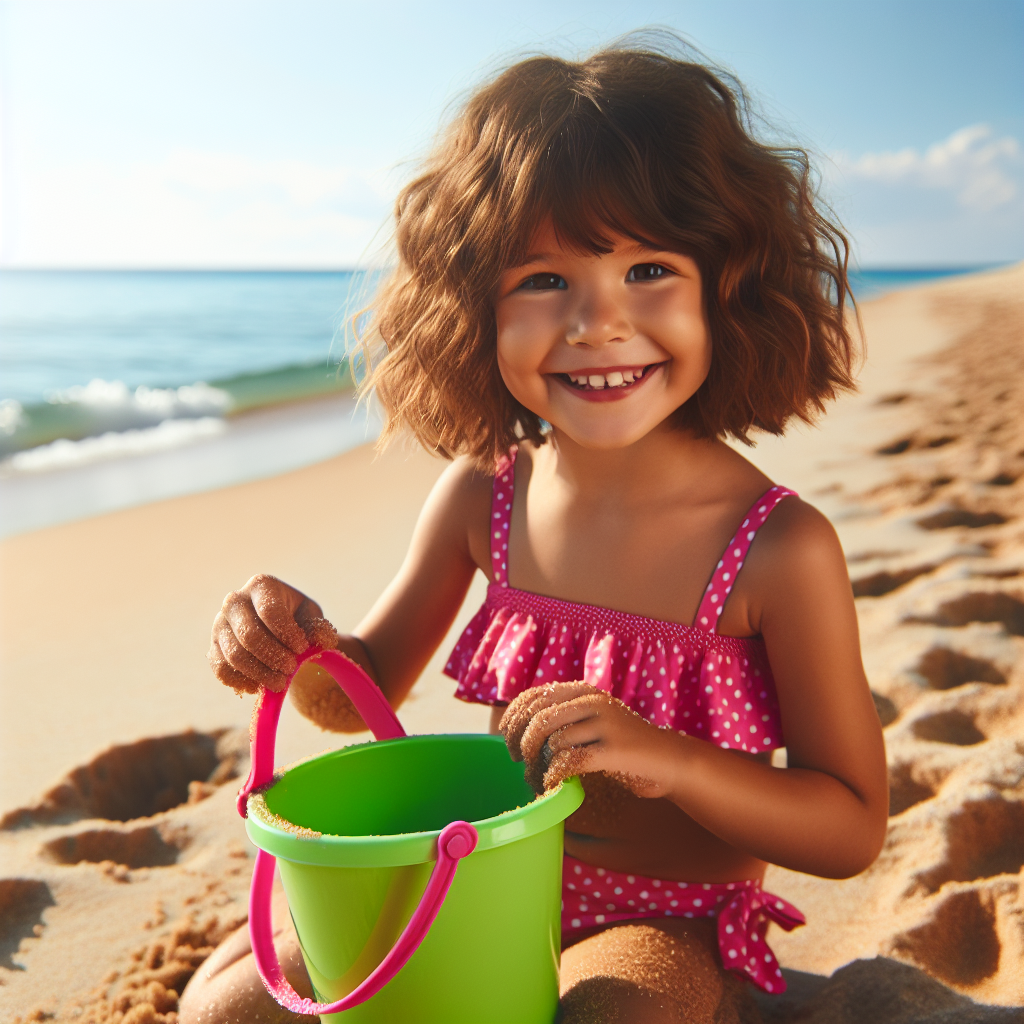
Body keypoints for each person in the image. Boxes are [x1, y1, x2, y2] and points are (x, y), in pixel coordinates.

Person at [180, 36, 888, 1024]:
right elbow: (363, 687)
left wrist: (671, 758)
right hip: (476, 876)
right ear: (474, 307)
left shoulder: (777, 548)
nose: (597, 323)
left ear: (726, 285)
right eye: (544, 280)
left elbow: (849, 826)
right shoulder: (486, 498)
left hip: (664, 917)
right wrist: (294, 646)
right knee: (227, 1007)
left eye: (648, 269)